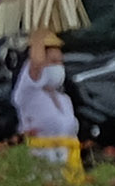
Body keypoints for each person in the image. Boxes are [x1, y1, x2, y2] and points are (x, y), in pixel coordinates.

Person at [14, 29, 80, 175]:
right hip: (40, 164)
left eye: (60, 62)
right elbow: (36, 64)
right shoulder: (28, 92)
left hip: (66, 164)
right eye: (53, 62)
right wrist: (38, 30)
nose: (58, 66)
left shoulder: (65, 100)